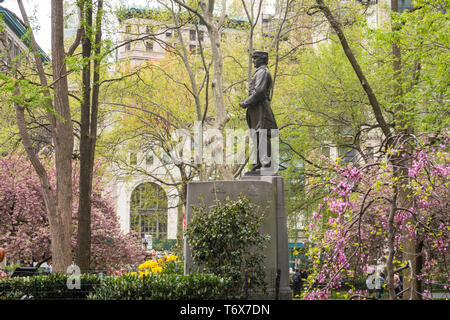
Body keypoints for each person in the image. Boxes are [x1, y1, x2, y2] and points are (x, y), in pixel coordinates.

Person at [239, 50, 278, 174]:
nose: (253, 61)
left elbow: (259, 91)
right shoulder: (260, 72)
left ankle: (266, 164)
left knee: (261, 134)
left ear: (262, 59)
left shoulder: (263, 72)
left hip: (260, 108)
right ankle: (259, 164)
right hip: (255, 108)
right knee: (256, 135)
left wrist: (246, 102)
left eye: (255, 58)